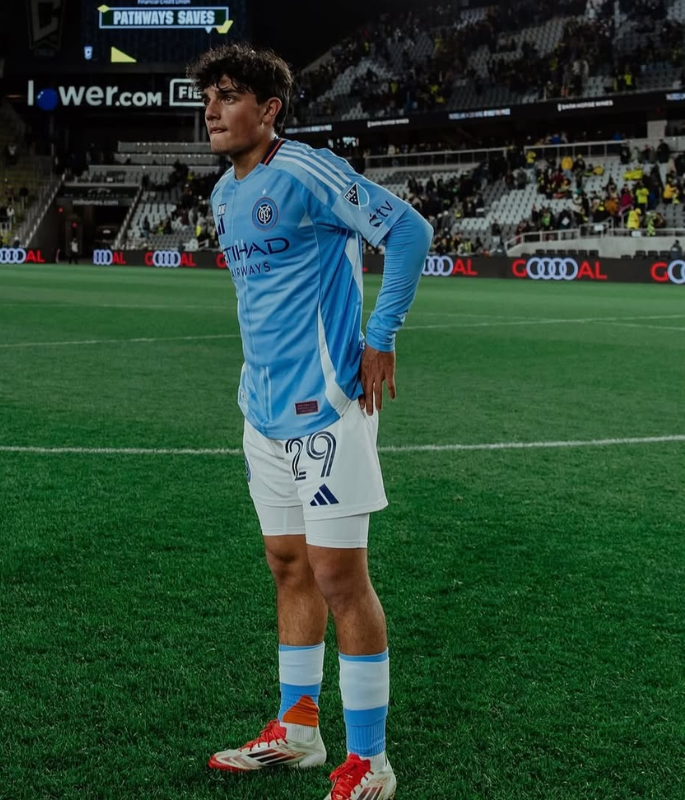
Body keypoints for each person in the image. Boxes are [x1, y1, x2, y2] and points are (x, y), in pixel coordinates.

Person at [187, 44, 432, 800]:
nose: (212, 110)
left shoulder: (306, 170)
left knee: (338, 577)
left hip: (327, 406)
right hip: (261, 412)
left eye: (230, 96)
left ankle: (371, 763)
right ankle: (297, 732)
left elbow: (409, 232)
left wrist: (380, 336)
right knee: (288, 565)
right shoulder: (224, 194)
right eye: (208, 98)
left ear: (269, 110)